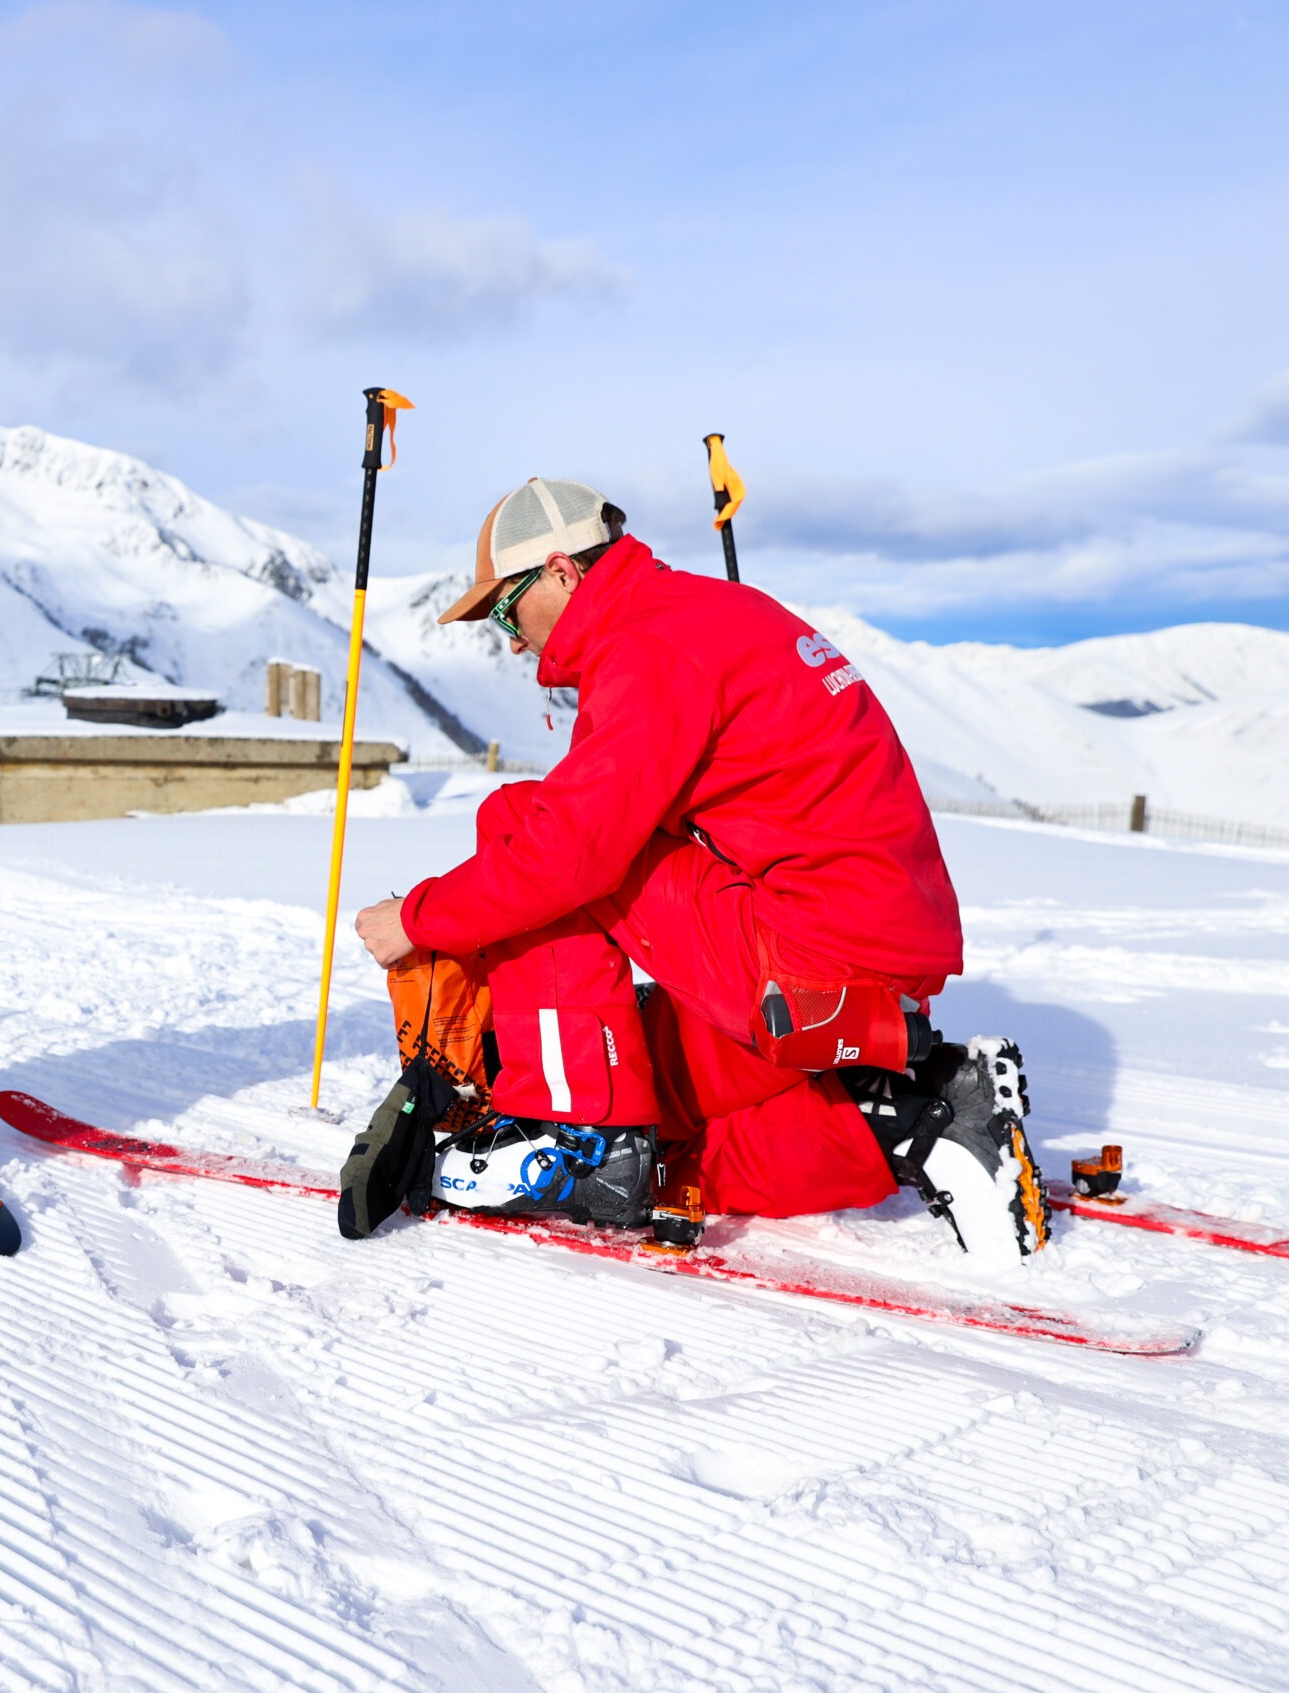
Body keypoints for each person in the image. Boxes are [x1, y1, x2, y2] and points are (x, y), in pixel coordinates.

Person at [347, 477, 1047, 1261]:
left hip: (811, 948)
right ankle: (919, 1118)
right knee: (667, 1100)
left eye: (506, 610)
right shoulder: (709, 612)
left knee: (524, 820)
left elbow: (571, 850)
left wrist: (416, 919)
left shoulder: (645, 647)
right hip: (876, 945)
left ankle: (575, 1139)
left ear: (561, 570)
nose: (511, 639)